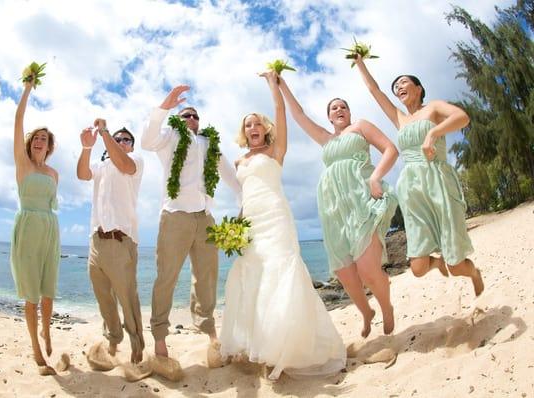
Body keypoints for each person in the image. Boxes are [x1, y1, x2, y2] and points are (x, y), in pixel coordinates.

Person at [219, 70, 346, 380]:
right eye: (248, 125)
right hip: (251, 223)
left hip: (276, 218)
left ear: (265, 129)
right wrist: (236, 227)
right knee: (255, 278)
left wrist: (273, 84)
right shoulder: (239, 162)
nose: (253, 128)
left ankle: (287, 349)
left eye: (258, 123)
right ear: (244, 131)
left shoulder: (277, 151)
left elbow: (281, 112)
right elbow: (244, 195)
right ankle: (264, 347)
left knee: (281, 274)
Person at [277, 75, 399, 337]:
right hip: (335, 210)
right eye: (334, 108)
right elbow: (298, 115)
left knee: (367, 269)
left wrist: (376, 177)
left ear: (349, 112)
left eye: (343, 106)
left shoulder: (361, 127)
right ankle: (366, 312)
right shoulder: (325, 139)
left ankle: (386, 308)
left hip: (363, 201)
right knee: (344, 272)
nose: (339, 110)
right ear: (329, 118)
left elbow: (390, 149)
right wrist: (281, 83)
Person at [354, 55, 484, 296]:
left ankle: (474, 273)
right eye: (396, 87)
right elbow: (374, 90)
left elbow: (462, 117)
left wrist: (433, 133)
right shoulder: (399, 117)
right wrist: (359, 61)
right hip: (411, 189)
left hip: (438, 181)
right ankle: (435, 262)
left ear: (419, 88)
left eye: (403, 82)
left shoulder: (433, 108)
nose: (398, 88)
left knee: (456, 266)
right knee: (418, 267)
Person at [141, 86, 241, 377]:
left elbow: (230, 176)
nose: (190, 118)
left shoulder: (210, 143)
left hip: (205, 216)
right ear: (178, 118)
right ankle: (160, 342)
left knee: (208, 275)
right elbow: (147, 139)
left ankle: (211, 336)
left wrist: (243, 202)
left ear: (199, 121)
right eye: (185, 114)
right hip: (175, 215)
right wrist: (164, 107)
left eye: (194, 115)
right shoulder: (170, 137)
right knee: (166, 277)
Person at [77, 119, 145, 365]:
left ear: (132, 146)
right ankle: (113, 341)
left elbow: (124, 164)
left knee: (127, 297)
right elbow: (82, 174)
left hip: (121, 240)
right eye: (118, 139)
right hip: (97, 240)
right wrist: (86, 148)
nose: (122, 142)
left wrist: (105, 131)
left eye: (126, 139)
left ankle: (137, 344)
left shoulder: (135, 162)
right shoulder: (101, 165)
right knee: (103, 296)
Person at [10, 80, 60, 375]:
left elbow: (52, 206)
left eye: (45, 138)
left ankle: (47, 330)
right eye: (36, 137)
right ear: (30, 143)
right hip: (28, 228)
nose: (39, 141)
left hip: (51, 230)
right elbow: (18, 120)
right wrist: (28, 88)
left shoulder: (54, 172)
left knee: (48, 291)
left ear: (49, 146)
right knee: (31, 293)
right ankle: (35, 348)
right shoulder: (23, 164)